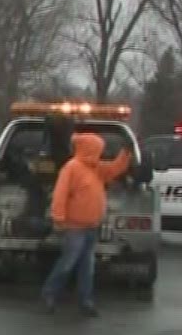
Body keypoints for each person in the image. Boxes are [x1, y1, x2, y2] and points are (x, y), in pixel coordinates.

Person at [42, 132, 134, 317]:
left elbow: (115, 169)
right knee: (68, 263)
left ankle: (85, 301)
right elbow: (60, 194)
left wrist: (126, 153)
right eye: (98, 149)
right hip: (75, 227)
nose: (100, 152)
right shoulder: (72, 168)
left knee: (87, 267)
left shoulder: (95, 168)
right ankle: (49, 294)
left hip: (92, 226)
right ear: (90, 149)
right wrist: (58, 218)